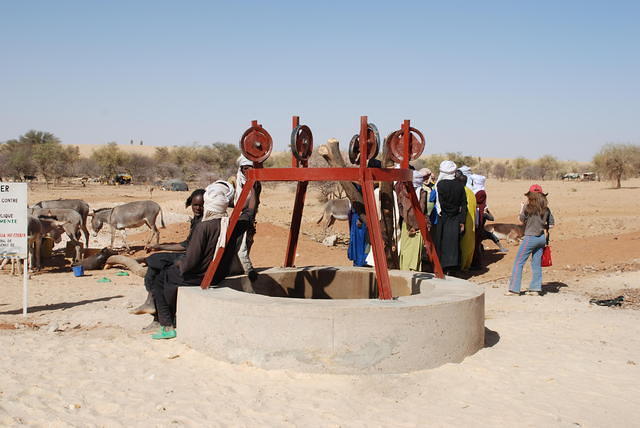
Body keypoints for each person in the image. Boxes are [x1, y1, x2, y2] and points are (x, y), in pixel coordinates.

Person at [151, 180, 239, 339]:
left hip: (201, 276)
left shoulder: (204, 227)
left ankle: (166, 325)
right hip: (219, 274)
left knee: (161, 279)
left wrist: (180, 264)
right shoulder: (230, 224)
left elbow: (190, 262)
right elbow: (248, 212)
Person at [131, 189, 205, 332]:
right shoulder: (196, 220)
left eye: (201, 205)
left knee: (157, 266)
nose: (197, 208)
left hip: (190, 260)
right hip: (188, 255)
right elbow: (185, 244)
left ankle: (153, 304)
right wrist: (160, 246)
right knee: (154, 261)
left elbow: (189, 248)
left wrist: (165, 250)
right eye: (195, 205)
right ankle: (152, 301)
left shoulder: (204, 223)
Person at [507, 184, 555, 296]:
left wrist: (521, 208)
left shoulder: (527, 207)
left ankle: (514, 290)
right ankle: (535, 289)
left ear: (530, 195)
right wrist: (542, 225)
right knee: (536, 263)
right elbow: (551, 225)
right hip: (541, 238)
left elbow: (521, 220)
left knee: (518, 263)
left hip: (530, 238)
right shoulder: (546, 209)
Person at [432, 161, 467, 274]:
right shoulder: (460, 186)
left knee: (441, 241)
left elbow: (438, 203)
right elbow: (463, 205)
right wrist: (462, 221)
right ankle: (452, 269)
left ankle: (441, 268)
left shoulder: (440, 185)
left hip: (443, 217)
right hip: (455, 218)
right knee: (453, 243)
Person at [234, 155, 261, 281]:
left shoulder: (255, 183)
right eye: (245, 168)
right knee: (241, 245)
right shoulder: (239, 181)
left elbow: (252, 202)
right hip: (241, 216)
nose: (247, 171)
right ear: (241, 169)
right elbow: (242, 202)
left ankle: (241, 268)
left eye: (250, 168)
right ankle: (248, 269)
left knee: (247, 241)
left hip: (249, 216)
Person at [395, 169, 428, 271]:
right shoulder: (422, 193)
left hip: (406, 224)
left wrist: (406, 221)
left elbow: (401, 208)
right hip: (417, 225)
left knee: (406, 249)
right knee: (413, 251)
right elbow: (421, 210)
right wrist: (414, 225)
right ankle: (412, 272)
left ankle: (405, 271)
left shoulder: (402, 192)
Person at [458, 170, 476, 271]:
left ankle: (462, 265)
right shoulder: (471, 192)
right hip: (472, 221)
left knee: (463, 243)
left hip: (464, 220)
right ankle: (467, 264)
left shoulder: (462, 191)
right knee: (470, 243)